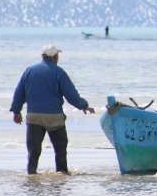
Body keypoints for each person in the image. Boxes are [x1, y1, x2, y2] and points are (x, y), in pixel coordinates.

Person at [10, 44, 95, 174]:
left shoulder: (29, 71)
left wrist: (16, 112)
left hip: (34, 117)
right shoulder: (59, 72)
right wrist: (83, 105)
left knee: (33, 151)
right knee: (60, 150)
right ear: (54, 56)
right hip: (54, 117)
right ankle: (61, 175)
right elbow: (70, 94)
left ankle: (31, 176)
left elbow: (19, 93)